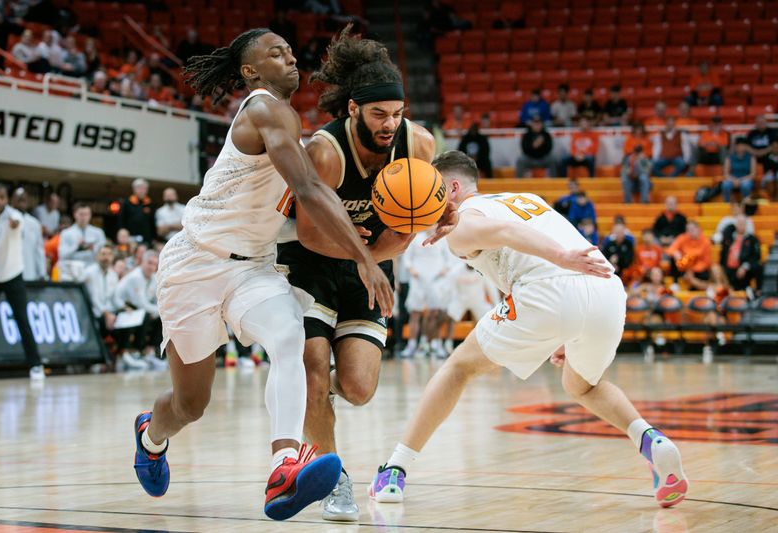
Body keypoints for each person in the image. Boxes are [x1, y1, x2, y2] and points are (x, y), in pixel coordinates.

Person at [133, 28, 393, 522]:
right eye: (276, 54)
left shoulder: (292, 124)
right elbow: (310, 188)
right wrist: (363, 256)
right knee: (191, 404)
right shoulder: (264, 109)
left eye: (292, 52)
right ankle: (151, 434)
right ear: (251, 70)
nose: (291, 59)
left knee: (289, 336)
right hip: (196, 264)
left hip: (251, 265)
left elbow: (304, 200)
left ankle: (282, 468)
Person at [368, 150, 688, 509]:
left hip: (554, 281)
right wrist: (564, 324)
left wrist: (560, 265)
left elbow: (508, 231)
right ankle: (652, 441)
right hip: (605, 289)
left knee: (458, 368)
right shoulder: (525, 199)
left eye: (434, 191)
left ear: (453, 188)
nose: (428, 201)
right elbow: (515, 256)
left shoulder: (463, 223)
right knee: (582, 385)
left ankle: (395, 468)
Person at [275, 26, 438, 522]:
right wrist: (366, 259)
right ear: (353, 110)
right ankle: (332, 475)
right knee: (310, 361)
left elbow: (406, 231)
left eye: (397, 113)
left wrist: (375, 258)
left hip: (371, 261)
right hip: (310, 259)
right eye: (378, 114)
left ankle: (311, 396)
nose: (390, 124)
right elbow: (307, 232)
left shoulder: (419, 145)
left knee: (359, 388)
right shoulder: (326, 151)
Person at [0, 184, 44, 380]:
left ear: (7, 200)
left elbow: (16, 220)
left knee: (22, 320)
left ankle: (36, 365)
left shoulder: (15, 215)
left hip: (12, 275)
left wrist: (14, 223)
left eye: (1, 197)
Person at [401, 228, 453, 359]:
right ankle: (411, 345)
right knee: (415, 313)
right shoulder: (415, 237)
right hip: (418, 279)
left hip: (436, 279)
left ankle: (436, 344)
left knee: (435, 314)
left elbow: (448, 259)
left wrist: (444, 270)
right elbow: (407, 258)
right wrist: (411, 269)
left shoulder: (442, 238)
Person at [114, 249, 165, 370]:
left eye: (154, 264)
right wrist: (159, 310)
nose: (151, 267)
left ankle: (150, 351)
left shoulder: (154, 278)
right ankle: (134, 352)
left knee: (161, 318)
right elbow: (141, 304)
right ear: (142, 262)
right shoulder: (135, 277)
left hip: (137, 310)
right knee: (145, 315)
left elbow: (157, 300)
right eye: (149, 263)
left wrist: (160, 311)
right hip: (122, 309)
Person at [57, 203, 106, 281]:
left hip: (92, 270)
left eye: (86, 214)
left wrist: (93, 248)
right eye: (81, 214)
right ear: (75, 215)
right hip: (72, 272)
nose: (84, 217)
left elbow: (104, 254)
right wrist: (76, 246)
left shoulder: (98, 232)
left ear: (90, 215)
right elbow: (62, 255)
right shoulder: (66, 233)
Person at [10, 188, 47, 281]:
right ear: (12, 201)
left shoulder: (34, 223)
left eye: (24, 199)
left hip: (29, 272)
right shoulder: (5, 219)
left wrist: (42, 273)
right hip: (8, 274)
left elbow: (39, 250)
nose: (22, 202)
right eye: (19, 199)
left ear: (28, 202)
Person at [720, 214, 762, 293]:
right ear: (735, 225)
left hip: (743, 271)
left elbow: (756, 257)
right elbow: (722, 255)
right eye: (739, 223)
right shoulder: (728, 237)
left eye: (743, 223)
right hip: (728, 270)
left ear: (746, 225)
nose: (741, 226)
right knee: (716, 269)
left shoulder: (752, 239)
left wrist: (745, 266)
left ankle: (758, 291)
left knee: (759, 267)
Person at [666, 220, 712, 290]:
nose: (690, 231)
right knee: (673, 259)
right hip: (685, 265)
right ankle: (675, 283)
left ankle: (696, 287)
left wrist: (692, 270)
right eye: (688, 229)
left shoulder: (706, 242)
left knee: (704, 273)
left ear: (698, 229)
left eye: (692, 229)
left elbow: (706, 262)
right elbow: (670, 249)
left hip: (697, 268)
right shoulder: (682, 237)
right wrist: (676, 253)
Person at [120, 179, 156, 245]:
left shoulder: (150, 204)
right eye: (139, 188)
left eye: (144, 188)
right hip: (130, 236)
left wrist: (154, 237)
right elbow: (122, 219)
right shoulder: (127, 203)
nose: (141, 190)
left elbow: (152, 222)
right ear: (134, 189)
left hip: (146, 238)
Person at [722, 138, 756, 202]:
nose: (741, 147)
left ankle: (746, 204)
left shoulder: (751, 158)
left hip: (746, 178)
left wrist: (740, 180)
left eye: (742, 145)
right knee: (725, 184)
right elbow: (726, 174)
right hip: (733, 179)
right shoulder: (729, 158)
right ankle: (727, 203)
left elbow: (753, 174)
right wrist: (734, 180)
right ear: (735, 146)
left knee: (745, 185)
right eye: (739, 145)